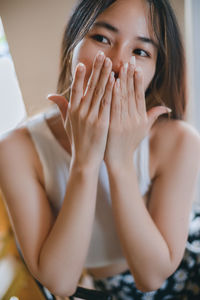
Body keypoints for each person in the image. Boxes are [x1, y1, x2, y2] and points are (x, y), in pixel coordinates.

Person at [0, 0, 200, 299]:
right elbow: (60, 282)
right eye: (102, 38)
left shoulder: (179, 140)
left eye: (140, 51)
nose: (118, 64)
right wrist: (85, 160)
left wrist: (119, 162)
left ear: (157, 70)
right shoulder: (15, 149)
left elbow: (152, 276)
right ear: (73, 43)